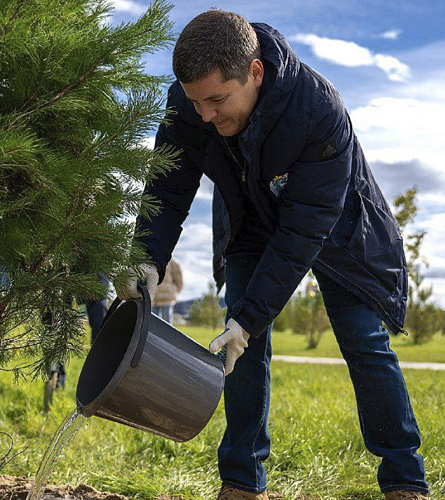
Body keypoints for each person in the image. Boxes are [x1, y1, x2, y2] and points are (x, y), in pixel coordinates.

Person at [116, 10, 428, 500]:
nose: (206, 116)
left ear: (255, 72)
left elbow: (302, 233)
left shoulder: (318, 111)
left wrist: (254, 315)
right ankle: (241, 479)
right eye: (196, 102)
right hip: (249, 222)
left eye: (217, 100)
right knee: (237, 348)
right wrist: (146, 256)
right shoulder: (191, 104)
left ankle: (404, 480)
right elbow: (169, 186)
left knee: (363, 342)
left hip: (338, 228)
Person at [152, 257, 184, 324]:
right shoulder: (152, 259)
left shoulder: (172, 262)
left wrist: (174, 290)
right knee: (155, 323)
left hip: (165, 299)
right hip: (155, 298)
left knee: (163, 323)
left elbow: (179, 281)